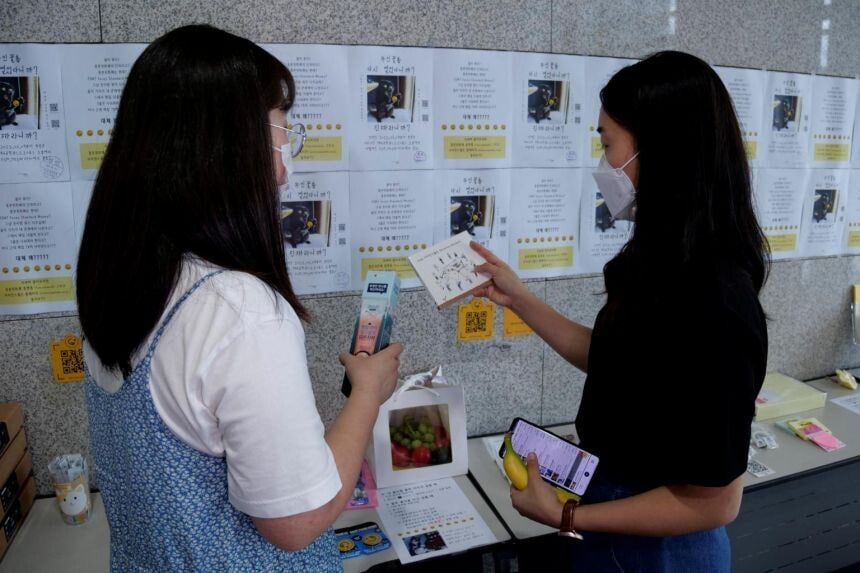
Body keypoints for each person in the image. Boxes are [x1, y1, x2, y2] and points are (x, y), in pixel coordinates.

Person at [77, 25, 402, 572]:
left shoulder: (114, 278)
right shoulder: (239, 312)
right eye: (282, 133)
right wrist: (367, 394)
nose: (284, 169)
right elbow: (297, 522)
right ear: (229, 148)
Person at [472, 51, 768, 571]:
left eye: (607, 144)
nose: (603, 164)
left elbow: (716, 502)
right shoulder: (661, 265)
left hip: (661, 551)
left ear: (662, 151)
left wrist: (565, 515)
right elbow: (617, 360)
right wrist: (517, 298)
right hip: (614, 519)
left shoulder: (717, 300)